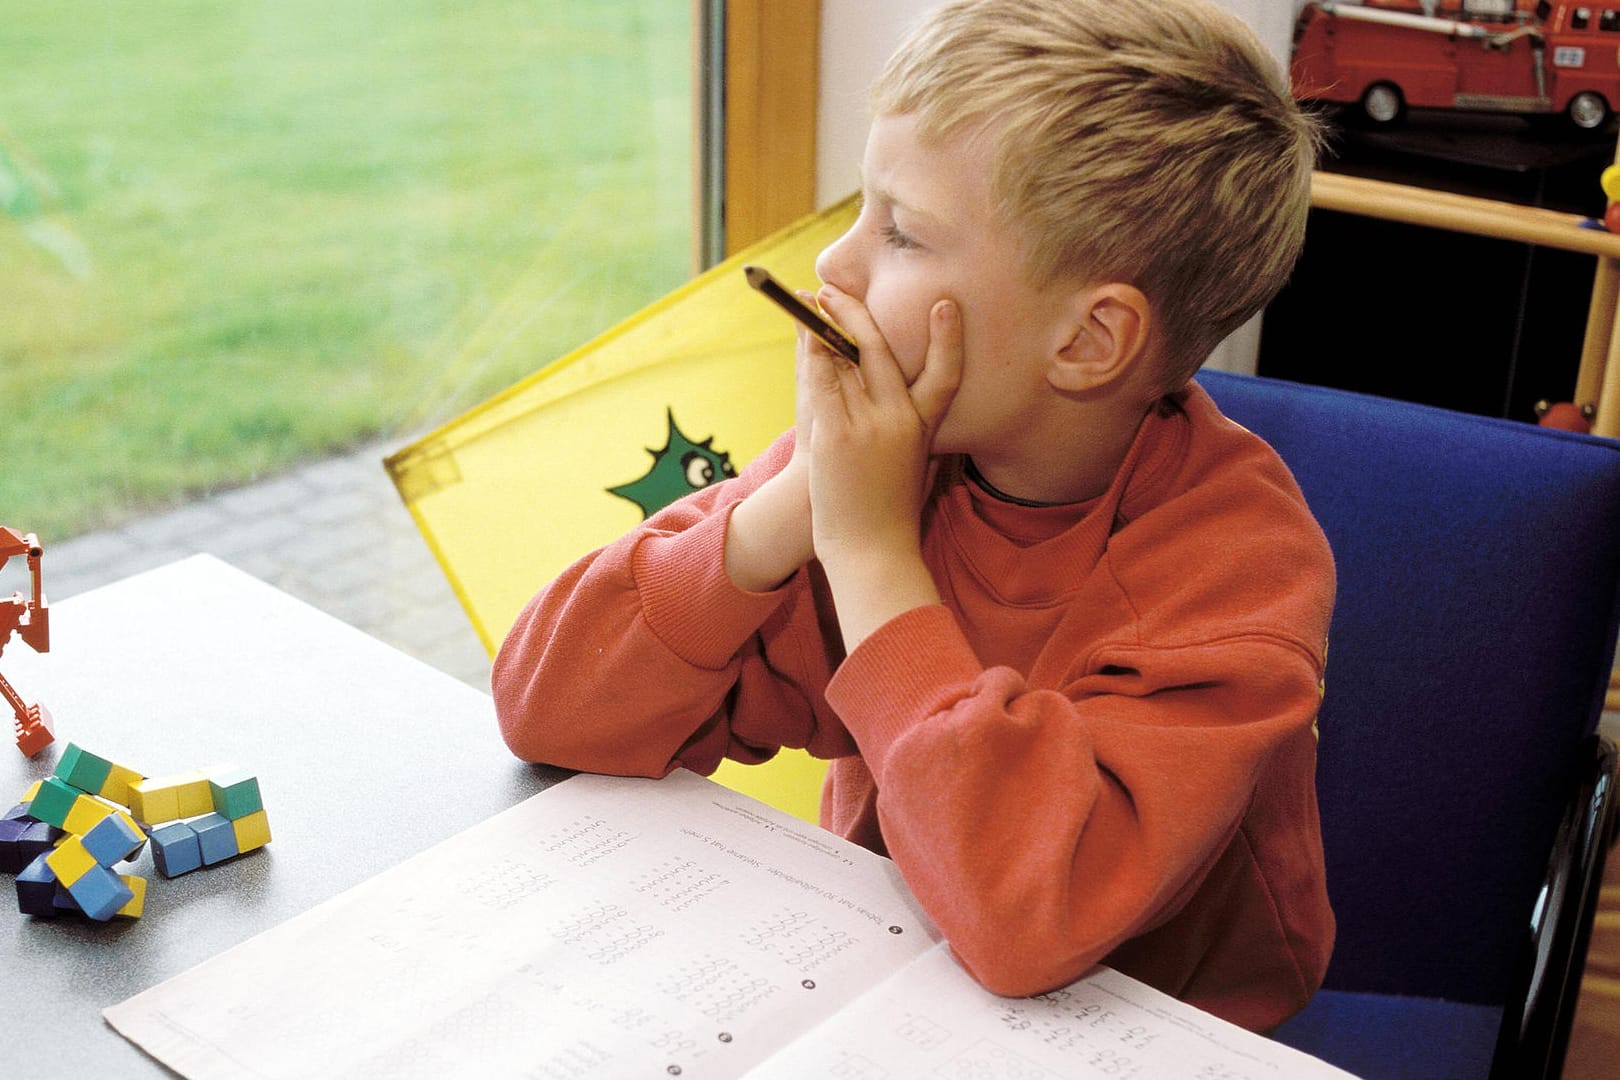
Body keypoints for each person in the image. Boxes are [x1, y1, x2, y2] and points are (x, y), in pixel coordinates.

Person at [493, 0, 1333, 1033]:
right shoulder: (878, 478)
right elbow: (549, 709)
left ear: (1088, 340)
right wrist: (787, 513)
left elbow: (1038, 918)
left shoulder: (1238, 568)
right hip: (903, 977)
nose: (834, 268)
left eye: (900, 231)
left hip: (1162, 1029)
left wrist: (869, 551)